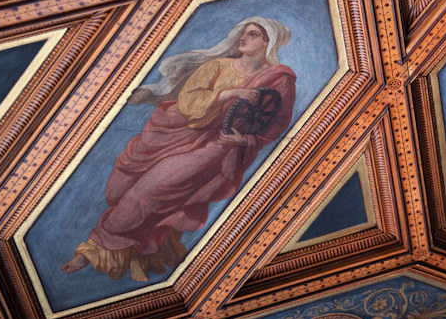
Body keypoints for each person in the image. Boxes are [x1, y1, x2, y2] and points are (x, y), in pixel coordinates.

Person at [60, 17, 296, 281]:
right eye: (243, 32)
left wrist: (245, 142)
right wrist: (227, 94)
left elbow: (275, 124)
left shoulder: (278, 79)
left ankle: (93, 251)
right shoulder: (216, 65)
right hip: (177, 132)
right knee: (121, 189)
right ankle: (136, 247)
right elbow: (188, 100)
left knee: (146, 192)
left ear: (268, 42)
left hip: (217, 145)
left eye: (252, 34)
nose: (243, 38)